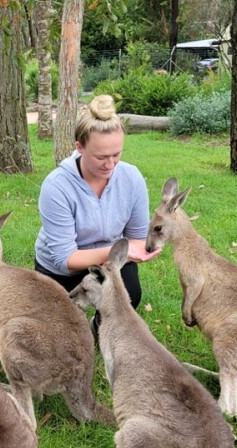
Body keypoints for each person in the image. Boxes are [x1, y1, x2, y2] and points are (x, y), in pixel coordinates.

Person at [34, 94, 161, 331]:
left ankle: (99, 328)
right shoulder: (56, 186)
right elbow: (65, 260)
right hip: (60, 267)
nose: (110, 165)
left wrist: (133, 250)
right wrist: (118, 251)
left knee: (129, 299)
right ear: (79, 147)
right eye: (101, 157)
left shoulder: (131, 178)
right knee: (60, 328)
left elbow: (135, 237)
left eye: (117, 155)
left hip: (111, 260)